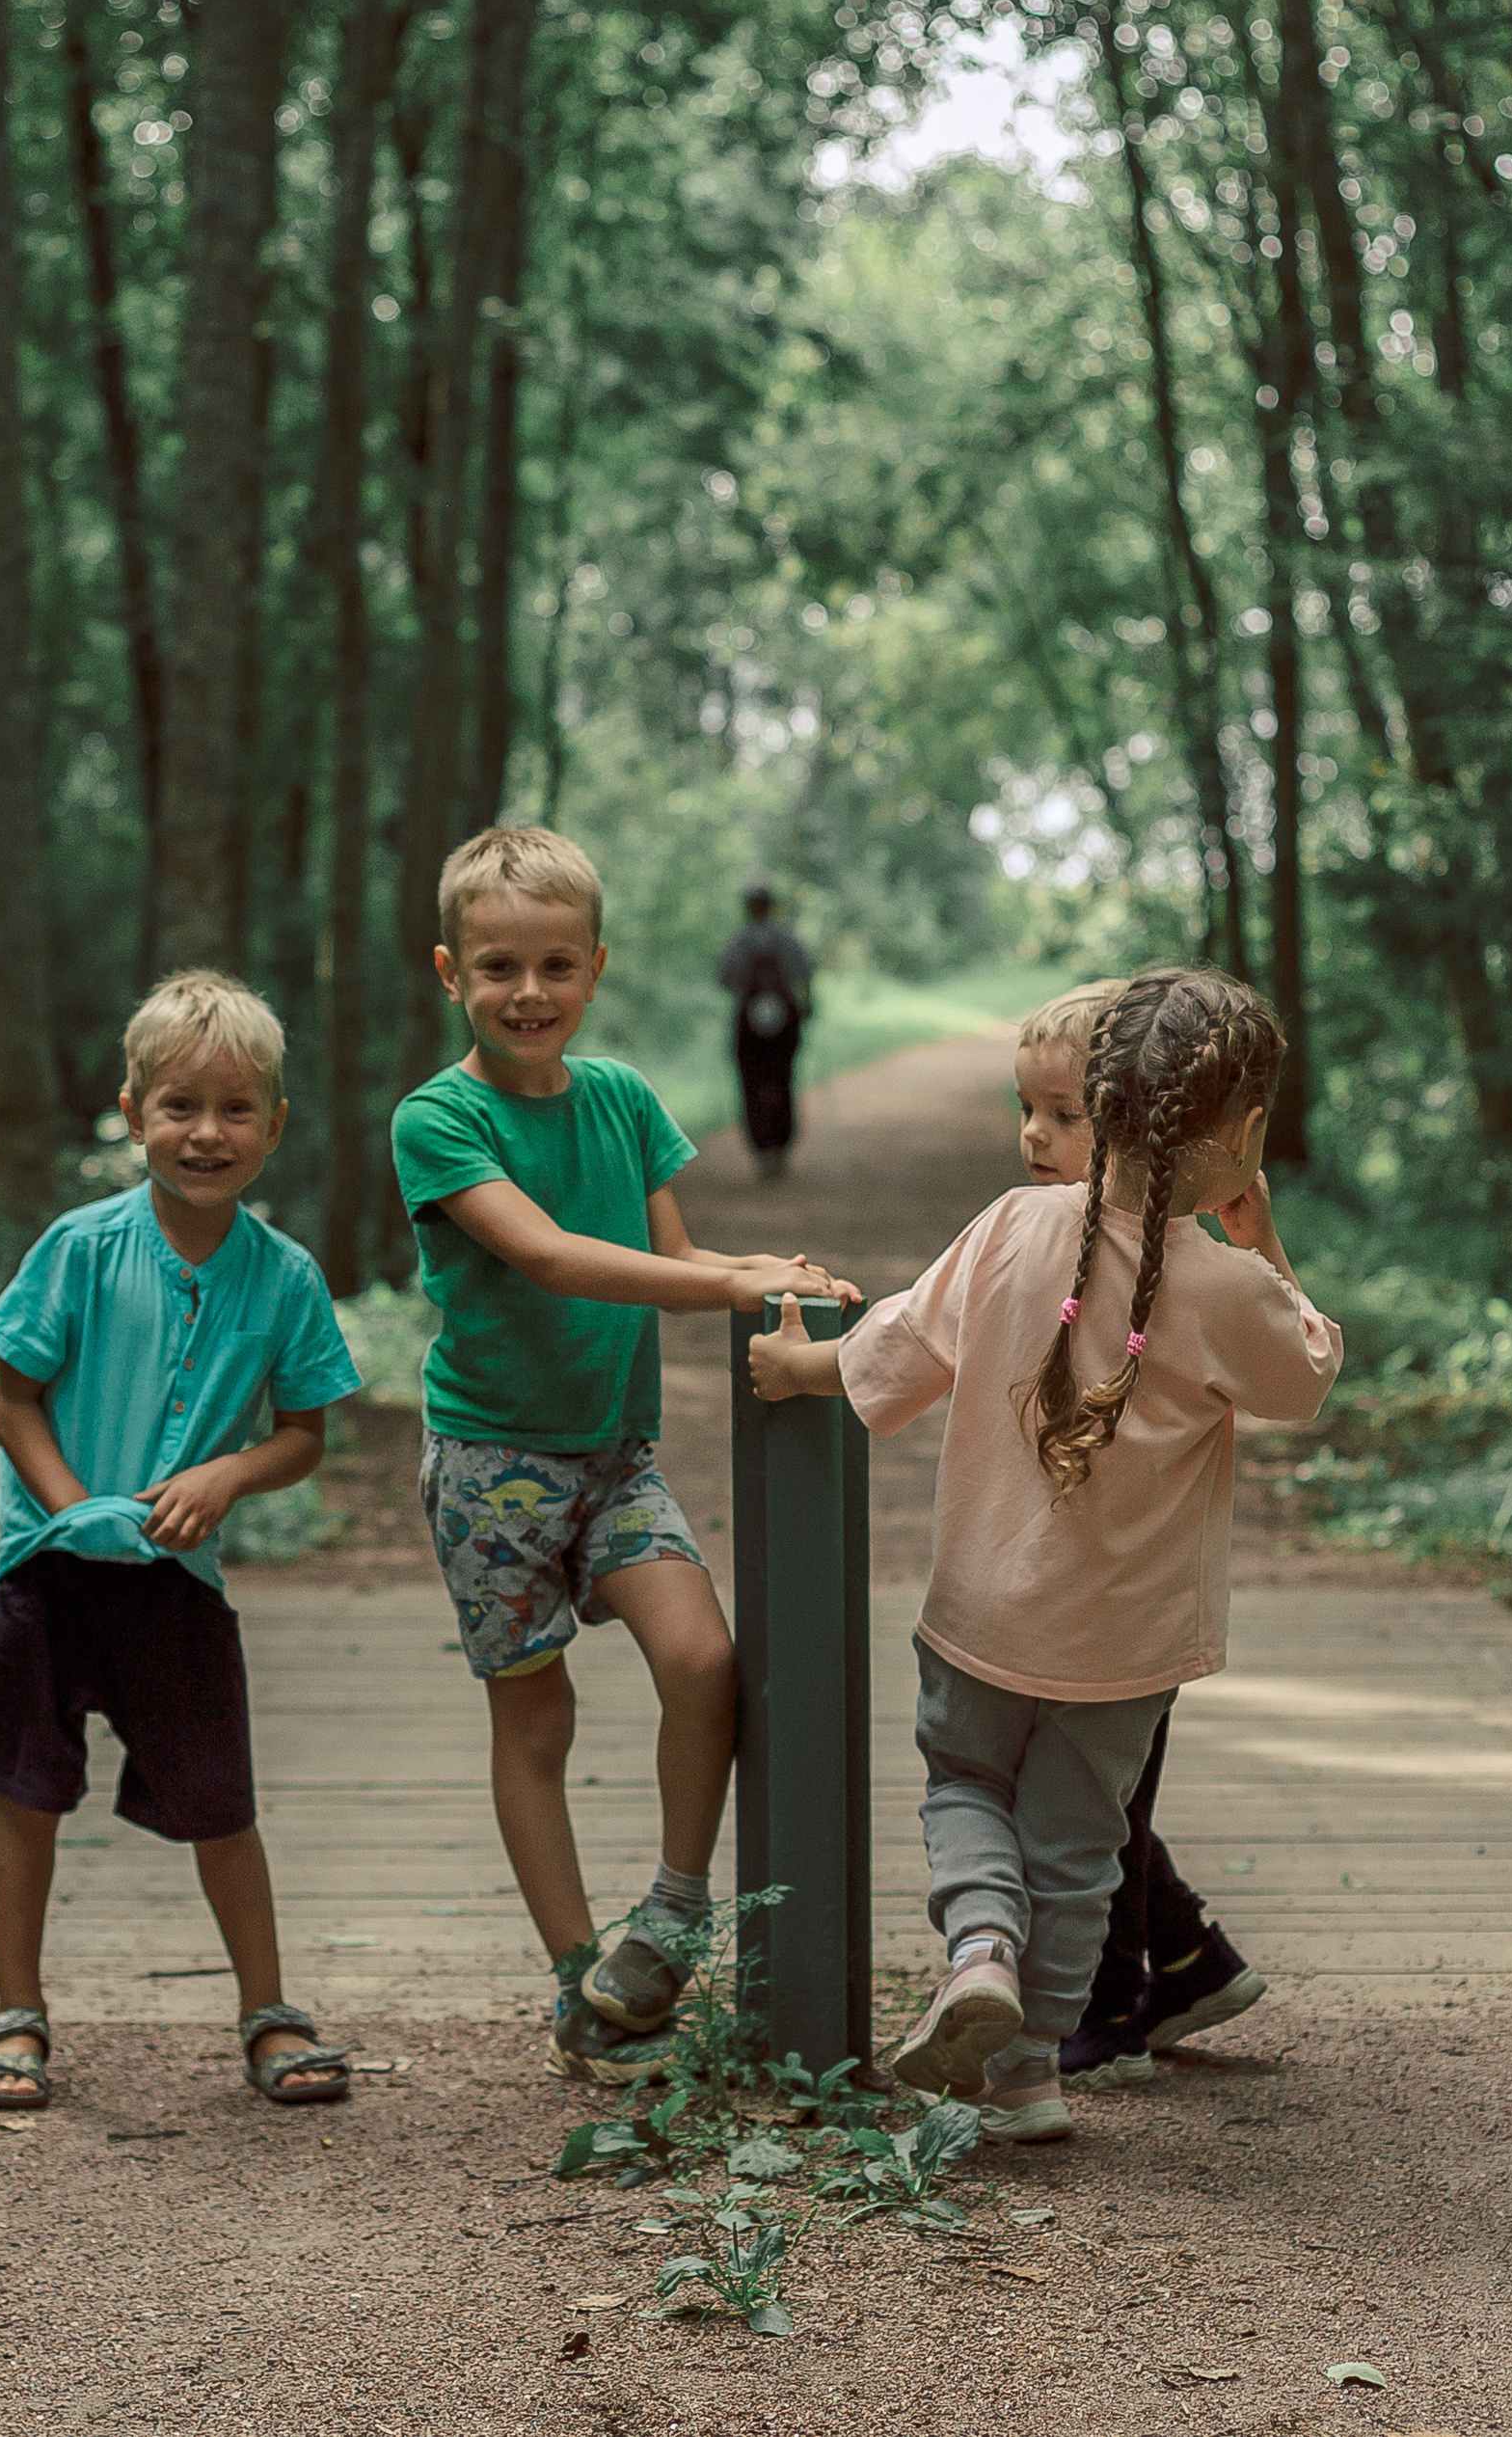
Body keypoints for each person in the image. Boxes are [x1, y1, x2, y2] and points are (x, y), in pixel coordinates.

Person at [749, 965, 1341, 2143]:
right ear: (1242, 1134)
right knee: (1078, 1848)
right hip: (1127, 1649)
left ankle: (978, 1949)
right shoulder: (1226, 1289)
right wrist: (1263, 1239)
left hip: (980, 1614)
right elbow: (1307, 1375)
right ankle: (1029, 2072)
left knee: (965, 1785)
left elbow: (898, 1348)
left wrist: (798, 1369)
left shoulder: (1015, 1227)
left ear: (1101, 1107)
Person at [391, 826, 858, 2083]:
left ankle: (671, 1914)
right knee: (535, 1714)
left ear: (595, 967)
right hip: (493, 1465)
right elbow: (546, 1253)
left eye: (553, 965)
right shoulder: (437, 1118)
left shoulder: (625, 1100)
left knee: (703, 1658)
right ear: (450, 972)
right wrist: (724, 1283)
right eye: (497, 967)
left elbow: (678, 1253)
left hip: (614, 1456)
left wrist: (767, 1277)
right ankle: (573, 1975)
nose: (527, 993)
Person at [0, 971, 363, 2113]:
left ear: (274, 1128)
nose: (206, 1133)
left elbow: (303, 1435)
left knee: (220, 1804)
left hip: (175, 1585)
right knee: (26, 1792)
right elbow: (9, 1399)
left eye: (236, 1110)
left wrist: (230, 1475)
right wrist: (73, 1506)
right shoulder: (79, 1250)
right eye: (180, 1106)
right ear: (132, 1112)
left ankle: (269, 2015)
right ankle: (16, 2017)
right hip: (47, 1574)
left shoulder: (283, 1279)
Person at [1011, 981, 1269, 2089]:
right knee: (1088, 1794)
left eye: (1066, 1116)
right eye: (1025, 1109)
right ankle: (1197, 1961)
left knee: (1086, 1801)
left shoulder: (1186, 1271)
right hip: (1056, 1587)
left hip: (1130, 1593)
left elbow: (1290, 1361)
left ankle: (1107, 2006)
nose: (1036, 1136)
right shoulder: (1044, 1241)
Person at [716, 883, 816, 1179]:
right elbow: (806, 974)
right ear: (771, 906)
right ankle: (781, 1147)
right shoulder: (787, 937)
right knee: (782, 1079)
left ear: (748, 907)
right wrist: (807, 1004)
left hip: (748, 1022)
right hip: (786, 1019)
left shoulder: (738, 941)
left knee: (751, 1082)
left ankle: (762, 1148)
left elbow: (723, 979)